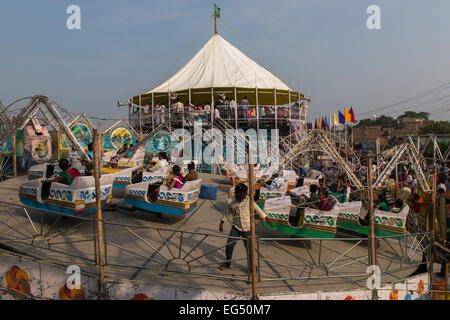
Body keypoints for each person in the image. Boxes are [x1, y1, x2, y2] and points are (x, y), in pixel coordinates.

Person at [218, 183, 272, 271]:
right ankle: (227, 263)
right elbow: (226, 212)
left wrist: (265, 217)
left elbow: (258, 209)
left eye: (246, 193)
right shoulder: (230, 201)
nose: (245, 195)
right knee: (229, 245)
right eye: (244, 193)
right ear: (238, 193)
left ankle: (252, 268)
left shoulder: (249, 200)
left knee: (249, 249)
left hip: (248, 228)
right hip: (236, 227)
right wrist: (221, 222)